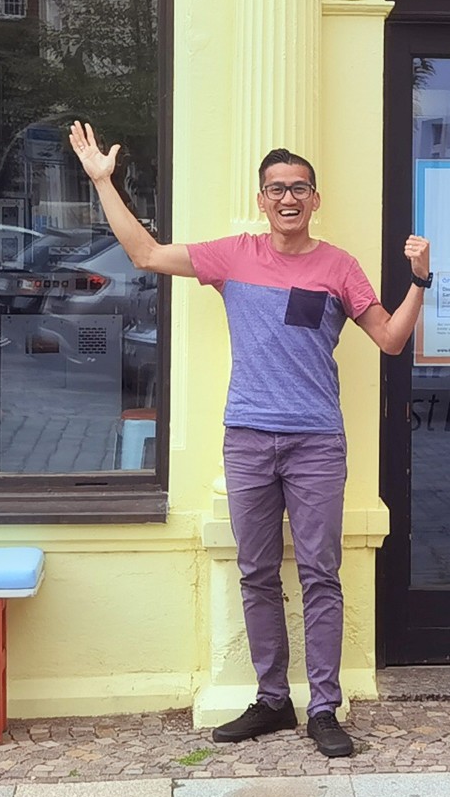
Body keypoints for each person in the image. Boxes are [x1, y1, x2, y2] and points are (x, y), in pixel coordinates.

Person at [66, 122, 428, 759]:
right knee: (258, 572)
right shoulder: (233, 256)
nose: (288, 198)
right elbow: (147, 256)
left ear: (316, 199)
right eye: (276, 189)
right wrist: (103, 182)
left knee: (321, 574)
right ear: (262, 200)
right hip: (250, 440)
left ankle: (323, 707)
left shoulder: (339, 266)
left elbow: (391, 340)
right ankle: (271, 700)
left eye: (300, 188)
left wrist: (420, 282)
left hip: (316, 442)